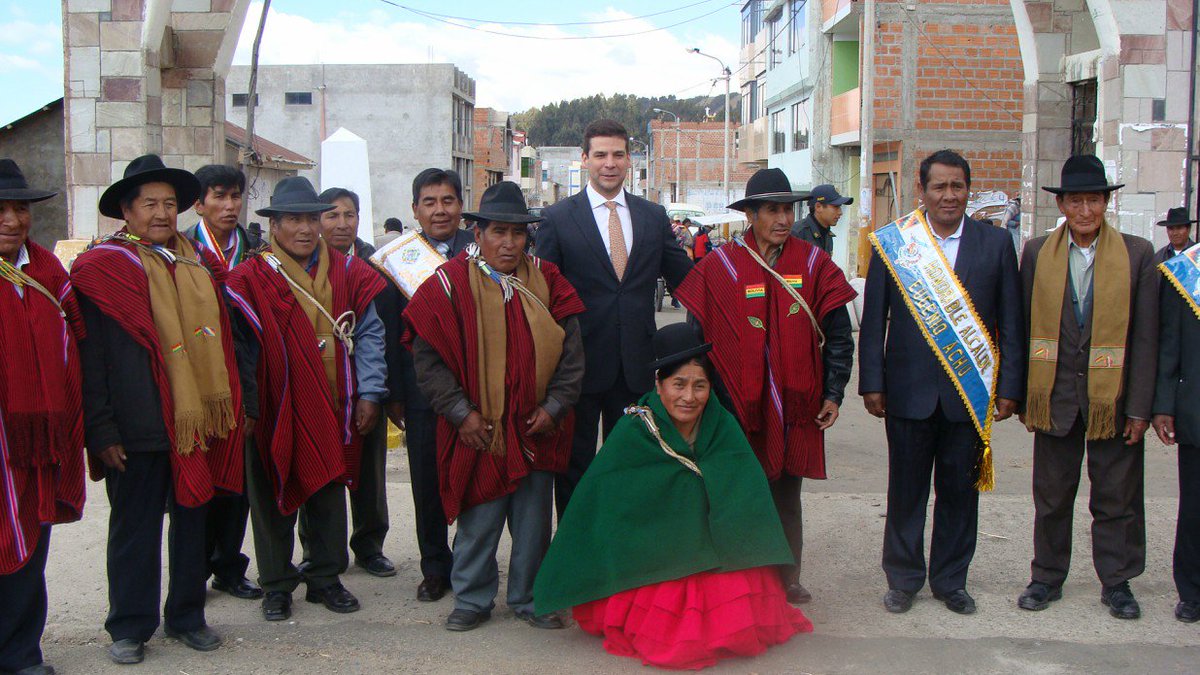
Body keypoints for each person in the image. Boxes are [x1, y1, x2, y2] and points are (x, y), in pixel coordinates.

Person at [533, 323, 812, 670]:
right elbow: (603, 503)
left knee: (730, 604)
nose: (689, 397)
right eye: (678, 384)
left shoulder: (723, 426)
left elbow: (745, 494)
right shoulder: (635, 430)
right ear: (659, 385)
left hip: (718, 547)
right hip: (655, 552)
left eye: (700, 386)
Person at [72, 155, 244, 664]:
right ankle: (129, 626)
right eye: (149, 204)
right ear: (126, 211)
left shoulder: (198, 265)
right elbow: (91, 356)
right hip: (136, 424)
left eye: (169, 203)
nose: (162, 213)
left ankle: (187, 615)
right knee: (135, 529)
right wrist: (101, 429)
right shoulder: (101, 269)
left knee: (193, 520)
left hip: (196, 423)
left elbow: (224, 342)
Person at [403, 181, 585, 632]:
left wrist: (555, 406)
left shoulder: (548, 280)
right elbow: (427, 360)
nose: (509, 243)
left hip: (536, 426)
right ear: (478, 233)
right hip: (478, 428)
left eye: (518, 233)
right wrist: (460, 413)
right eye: (499, 232)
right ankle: (471, 598)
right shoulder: (446, 284)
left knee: (533, 522)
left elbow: (573, 355)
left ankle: (530, 597)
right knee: (479, 517)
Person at [676, 167, 857, 605]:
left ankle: (787, 576)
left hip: (797, 407)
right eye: (772, 210)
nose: (782, 219)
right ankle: (738, 578)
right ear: (750, 215)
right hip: (734, 408)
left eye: (788, 210)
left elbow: (838, 336)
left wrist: (833, 392)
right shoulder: (719, 266)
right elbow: (696, 340)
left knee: (786, 496)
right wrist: (700, 401)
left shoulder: (814, 263)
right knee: (735, 494)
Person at [859, 150, 1025, 615]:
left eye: (957, 187)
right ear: (923, 190)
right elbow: (874, 320)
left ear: (968, 190)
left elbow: (1012, 322)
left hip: (967, 395)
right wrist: (872, 381)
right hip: (907, 393)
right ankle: (903, 579)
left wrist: (1010, 387)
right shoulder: (894, 243)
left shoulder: (995, 244)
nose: (949, 196)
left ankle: (951, 581)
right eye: (940, 187)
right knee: (905, 493)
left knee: (959, 495)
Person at [224, 176, 387, 622]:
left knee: (328, 489)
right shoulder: (249, 278)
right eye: (293, 220)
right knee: (270, 492)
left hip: (334, 401)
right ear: (274, 225)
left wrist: (371, 392)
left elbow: (370, 334)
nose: (304, 229)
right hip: (274, 404)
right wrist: (249, 407)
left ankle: (325, 577)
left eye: (311, 219)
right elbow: (240, 350)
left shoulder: (349, 271)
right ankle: (276, 583)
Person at [1017, 154, 1158, 620]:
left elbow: (1146, 337)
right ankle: (1046, 577)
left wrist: (1139, 408)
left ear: (1105, 204)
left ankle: (1117, 582)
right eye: (1075, 201)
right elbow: (1022, 325)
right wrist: (1024, 395)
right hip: (1055, 397)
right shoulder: (1037, 252)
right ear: (1061, 205)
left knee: (1117, 498)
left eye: (1093, 200)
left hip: (1112, 400)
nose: (1084, 210)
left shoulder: (1137, 254)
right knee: (1052, 497)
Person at [534, 119, 693, 518]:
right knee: (575, 468)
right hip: (576, 369)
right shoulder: (558, 218)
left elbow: (690, 282)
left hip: (635, 367)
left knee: (633, 466)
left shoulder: (652, 216)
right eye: (601, 155)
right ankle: (578, 544)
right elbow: (541, 299)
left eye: (618, 155)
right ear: (585, 159)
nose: (610, 163)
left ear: (629, 160)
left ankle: (625, 546)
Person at [0, 159, 86, 675]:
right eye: (1, 210)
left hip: (38, 443)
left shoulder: (49, 271)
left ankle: (20, 653)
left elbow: (77, 339)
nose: (12, 220)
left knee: (32, 539)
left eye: (20, 209)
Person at [383, 168, 476, 603]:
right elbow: (389, 331)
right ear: (415, 209)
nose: (440, 210)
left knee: (475, 481)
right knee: (427, 482)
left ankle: (471, 562)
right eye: (430, 202)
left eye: (448, 201)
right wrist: (395, 394)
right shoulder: (399, 258)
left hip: (475, 389)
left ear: (461, 205)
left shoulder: (480, 250)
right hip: (421, 392)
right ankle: (435, 567)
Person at [304, 186, 397, 579]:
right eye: (332, 215)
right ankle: (317, 550)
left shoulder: (376, 265)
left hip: (365, 384)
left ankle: (369, 545)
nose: (342, 224)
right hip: (319, 387)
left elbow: (378, 333)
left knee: (369, 473)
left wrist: (373, 391)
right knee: (316, 469)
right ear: (317, 221)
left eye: (350, 215)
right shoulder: (302, 265)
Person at [182, 164, 262, 603]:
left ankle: (229, 566)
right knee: (198, 479)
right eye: (219, 196)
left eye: (235, 196)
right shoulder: (182, 251)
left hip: (245, 379)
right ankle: (193, 568)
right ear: (199, 204)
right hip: (197, 382)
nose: (229, 206)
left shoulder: (256, 252)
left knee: (240, 483)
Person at [1153, 236, 1200, 623]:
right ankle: (1193, 591)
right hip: (1196, 408)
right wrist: (1164, 405)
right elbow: (1170, 341)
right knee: (1195, 508)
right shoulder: (1187, 271)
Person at [791, 184, 851, 257]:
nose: (840, 212)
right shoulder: (797, 234)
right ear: (818, 207)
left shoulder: (827, 235)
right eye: (836, 207)